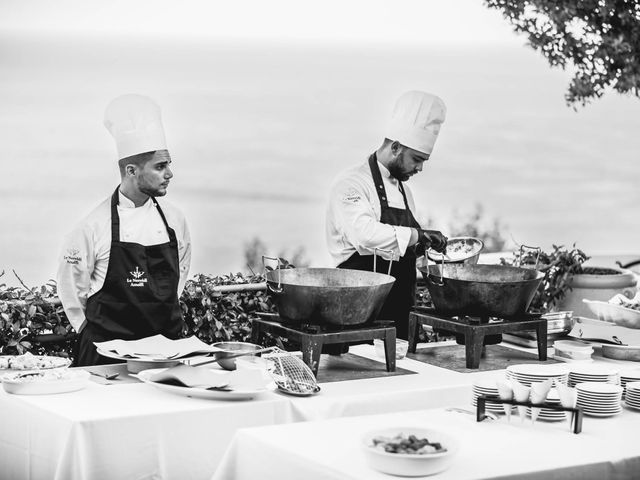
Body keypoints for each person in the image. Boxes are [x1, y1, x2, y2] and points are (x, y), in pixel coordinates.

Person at [57, 94, 191, 366]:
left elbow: (181, 274)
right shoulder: (92, 226)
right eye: (160, 166)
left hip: (163, 355)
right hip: (106, 357)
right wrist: (90, 331)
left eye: (169, 164)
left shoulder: (175, 220)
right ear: (131, 170)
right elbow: (71, 288)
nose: (170, 174)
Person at [326, 90, 448, 340]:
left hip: (401, 314)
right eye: (417, 159)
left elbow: (401, 245)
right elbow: (365, 236)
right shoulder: (351, 184)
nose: (420, 168)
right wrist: (416, 235)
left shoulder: (406, 192)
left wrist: (426, 247)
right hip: (359, 314)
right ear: (395, 147)